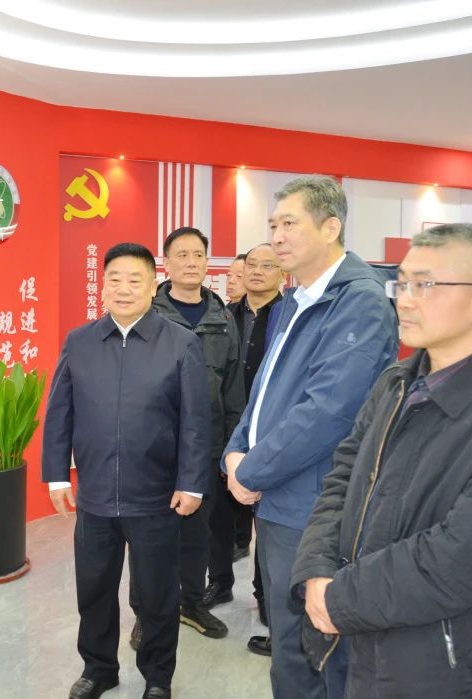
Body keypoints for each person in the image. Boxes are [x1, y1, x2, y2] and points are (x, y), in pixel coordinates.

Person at [291, 223, 472, 697]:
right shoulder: (395, 383)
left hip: (435, 663)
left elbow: (462, 560)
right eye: (401, 284)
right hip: (351, 636)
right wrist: (316, 570)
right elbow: (342, 480)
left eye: (426, 285)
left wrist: (338, 597)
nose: (406, 300)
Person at [222, 175, 398, 699]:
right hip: (279, 496)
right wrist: (235, 450)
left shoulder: (359, 303)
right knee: (288, 641)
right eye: (272, 224)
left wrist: (252, 470)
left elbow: (329, 412)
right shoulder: (294, 299)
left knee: (313, 651)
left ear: (330, 226)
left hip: (314, 507)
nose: (276, 236)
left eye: (289, 224)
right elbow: (263, 392)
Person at [42, 242, 210, 699]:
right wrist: (57, 475)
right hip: (95, 495)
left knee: (157, 594)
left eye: (135, 280)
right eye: (114, 279)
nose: (123, 288)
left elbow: (196, 421)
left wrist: (192, 483)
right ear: (102, 286)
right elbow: (60, 411)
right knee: (94, 588)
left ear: (153, 286)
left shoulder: (180, 343)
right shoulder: (80, 342)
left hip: (157, 496)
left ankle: (157, 676)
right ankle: (99, 669)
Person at [125, 227, 244, 649]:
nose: (191, 262)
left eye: (198, 255)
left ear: (207, 263)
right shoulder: (147, 313)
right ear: (166, 263)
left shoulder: (222, 318)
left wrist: (231, 448)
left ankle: (190, 603)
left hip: (204, 448)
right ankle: (146, 612)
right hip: (154, 449)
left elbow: (233, 389)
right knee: (148, 538)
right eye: (182, 254)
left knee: (196, 535)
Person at [206, 243, 284, 653]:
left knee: (266, 520)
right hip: (227, 428)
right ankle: (219, 582)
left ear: (282, 273)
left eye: (266, 265)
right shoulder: (224, 316)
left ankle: (266, 597)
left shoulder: (290, 315)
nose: (256, 272)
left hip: (272, 431)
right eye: (251, 265)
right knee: (219, 513)